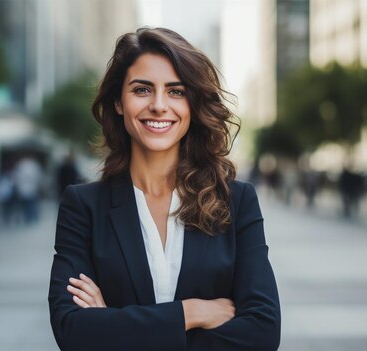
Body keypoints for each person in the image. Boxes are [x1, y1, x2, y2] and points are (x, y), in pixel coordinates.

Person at [48, 28, 281, 350]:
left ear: (193, 103)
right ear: (118, 102)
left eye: (176, 91)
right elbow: (72, 331)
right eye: (142, 90)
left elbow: (263, 333)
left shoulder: (236, 201)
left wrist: (114, 324)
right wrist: (191, 312)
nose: (159, 106)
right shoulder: (84, 206)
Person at [12, 156, 43, 224]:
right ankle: (31, 218)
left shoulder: (20, 166)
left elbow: (16, 178)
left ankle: (28, 218)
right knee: (31, 204)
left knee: (27, 205)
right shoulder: (33, 166)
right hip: (30, 189)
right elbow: (38, 177)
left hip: (25, 189)